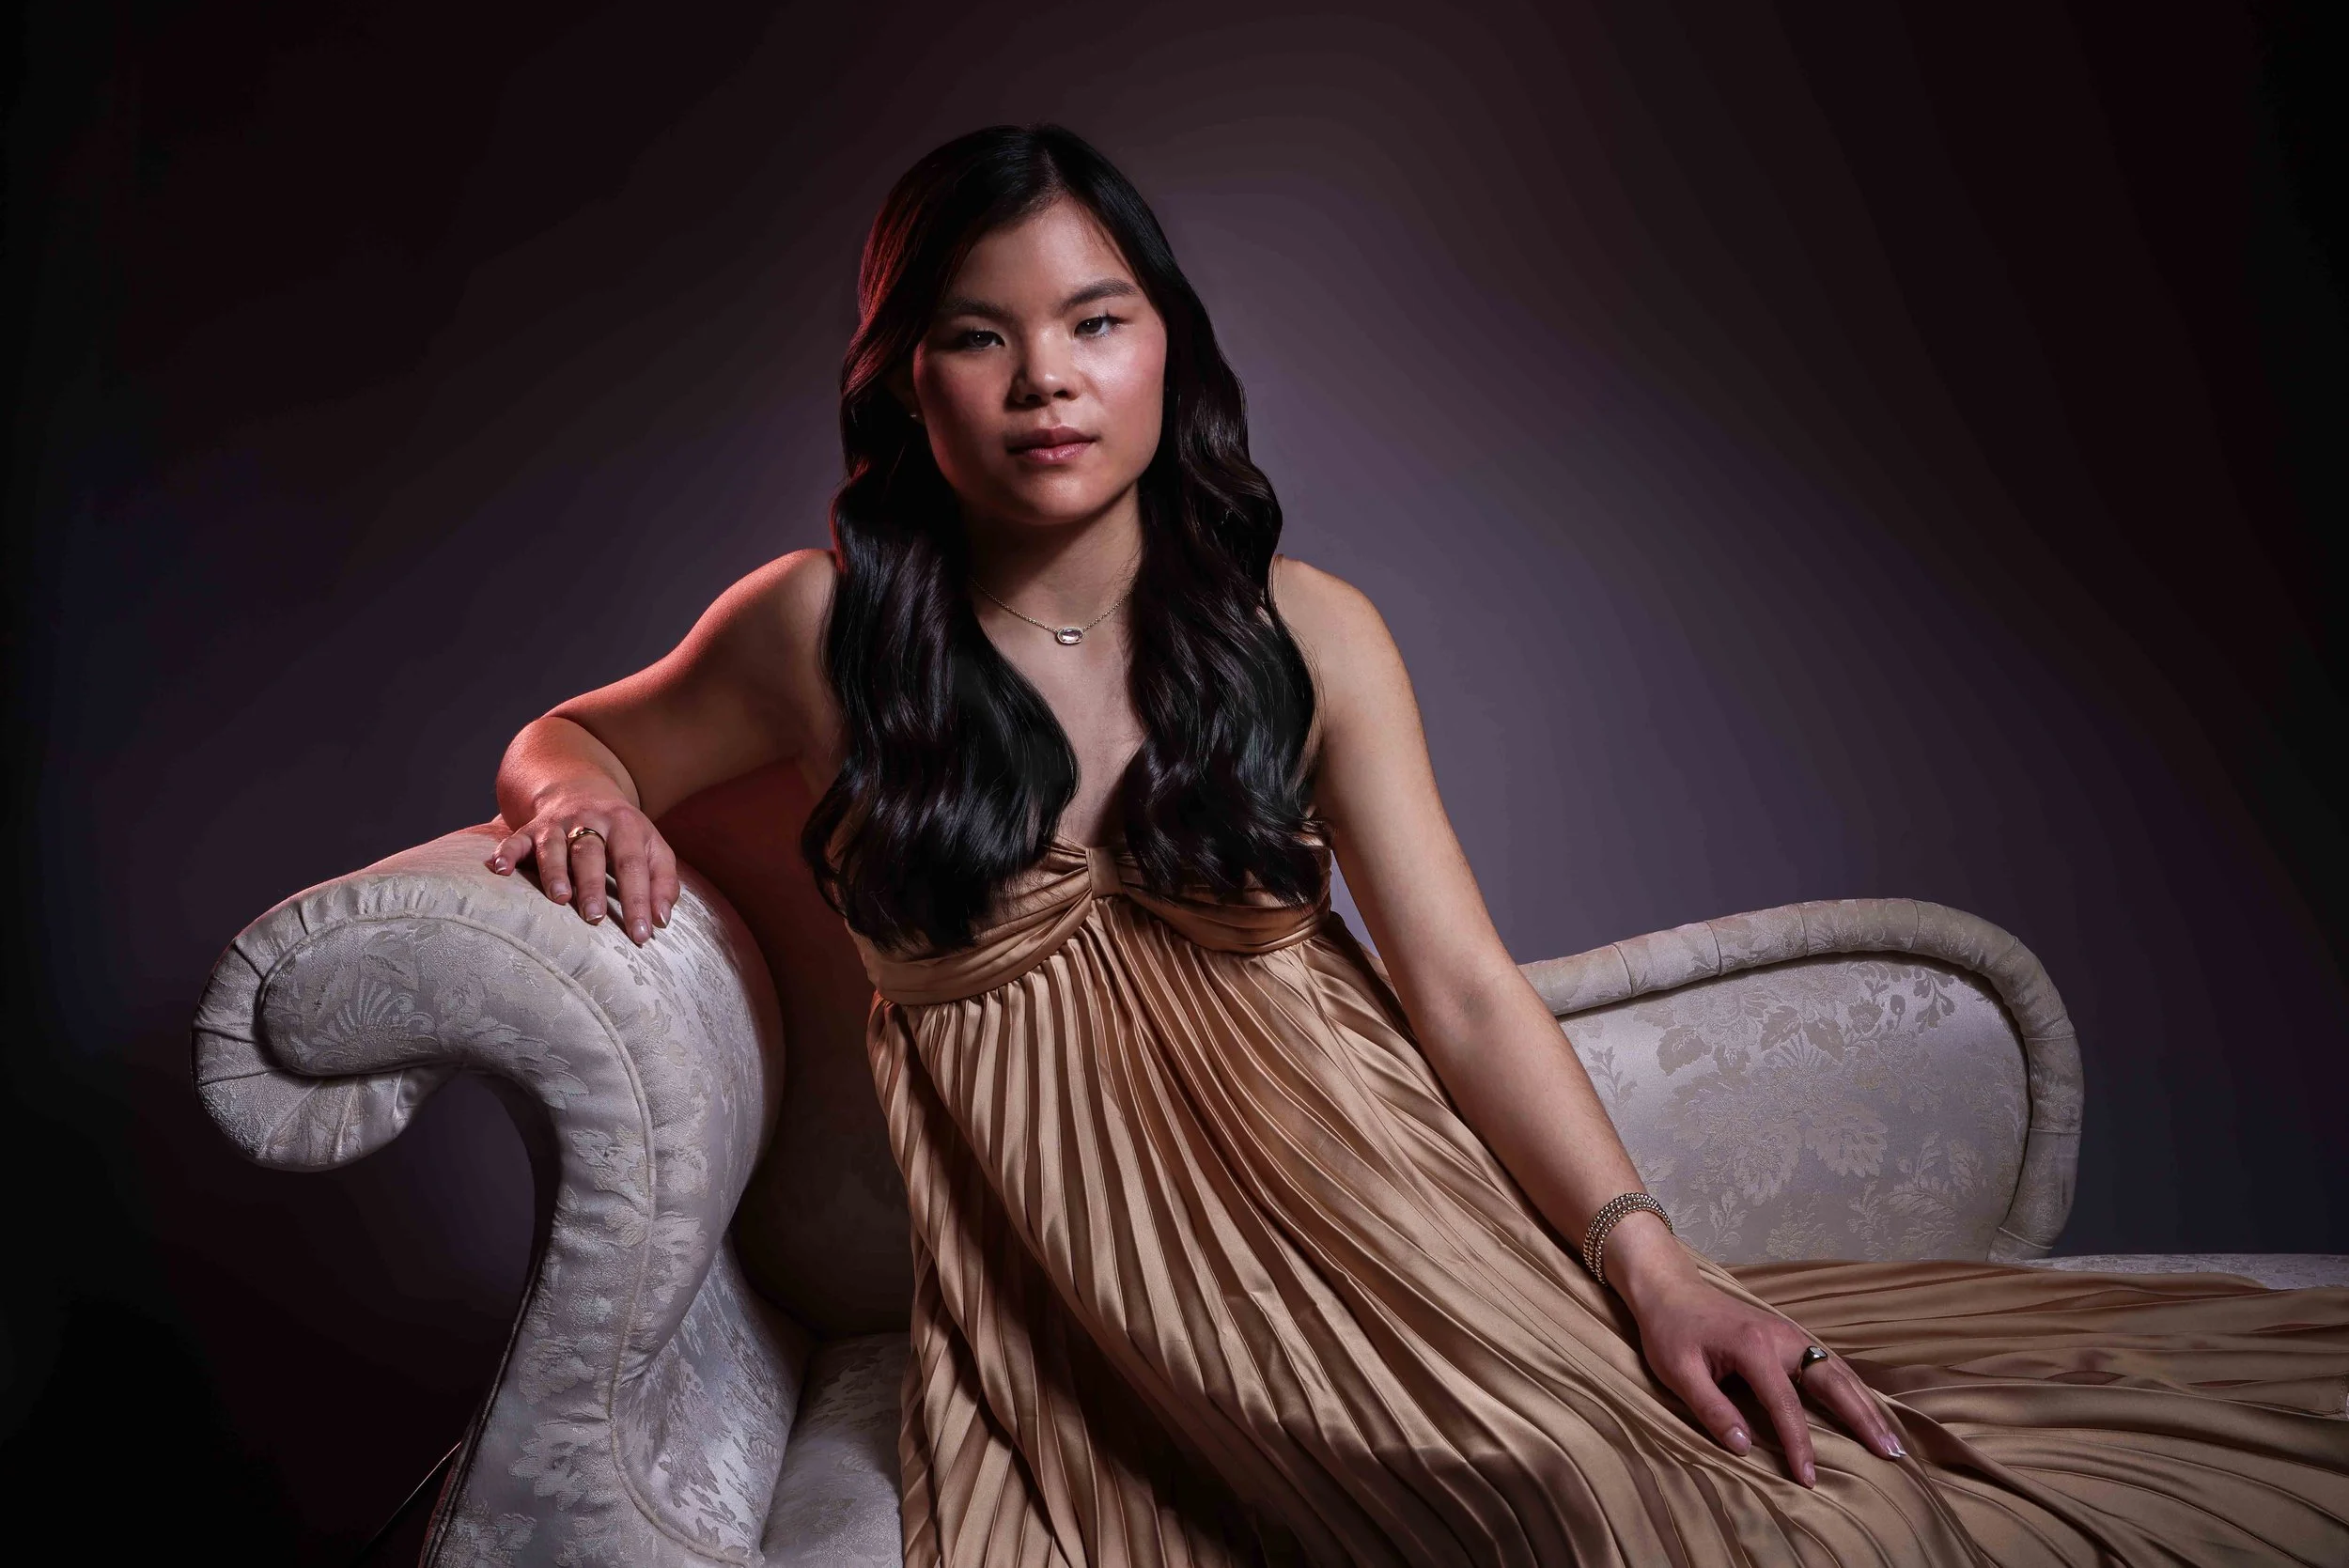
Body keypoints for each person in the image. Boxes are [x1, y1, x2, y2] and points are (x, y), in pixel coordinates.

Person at [484, 123, 2349, 1565]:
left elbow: (1456, 992)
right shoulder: (822, 632)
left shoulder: (1305, 630)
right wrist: (571, 791)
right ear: (908, 382)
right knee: (1532, 1515)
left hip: (1401, 1220)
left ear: (1162, 356)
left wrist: (1653, 1262)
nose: (1043, 376)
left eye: (1093, 321)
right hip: (1107, 1315)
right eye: (977, 335)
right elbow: (574, 736)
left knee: (1725, 1506)